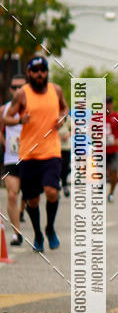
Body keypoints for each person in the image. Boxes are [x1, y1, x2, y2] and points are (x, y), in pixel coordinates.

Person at [4, 56, 68, 252]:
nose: (40, 74)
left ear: (47, 72)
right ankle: (38, 234)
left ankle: (49, 228)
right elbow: (6, 118)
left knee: (51, 191)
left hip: (51, 152)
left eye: (43, 70)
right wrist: (20, 120)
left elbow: (65, 108)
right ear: (29, 73)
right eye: (36, 70)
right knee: (32, 200)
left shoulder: (55, 90)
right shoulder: (22, 94)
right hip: (29, 154)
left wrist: (61, 119)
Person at [1, 73, 26, 245]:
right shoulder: (4, 109)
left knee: (31, 197)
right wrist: (5, 144)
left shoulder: (32, 108)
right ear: (10, 90)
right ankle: (17, 234)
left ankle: (23, 210)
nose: (18, 90)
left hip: (31, 157)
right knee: (11, 195)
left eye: (21, 87)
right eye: (15, 87)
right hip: (11, 158)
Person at [105, 97, 118, 202]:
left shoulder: (117, 117)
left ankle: (111, 192)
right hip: (101, 149)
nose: (108, 105)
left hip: (115, 148)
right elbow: (90, 130)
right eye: (106, 103)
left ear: (112, 104)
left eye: (109, 103)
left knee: (114, 170)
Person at [58, 112, 71, 196]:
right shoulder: (51, 116)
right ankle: (57, 186)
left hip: (65, 148)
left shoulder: (68, 119)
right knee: (57, 167)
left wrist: (68, 135)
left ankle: (64, 184)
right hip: (55, 148)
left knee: (65, 167)